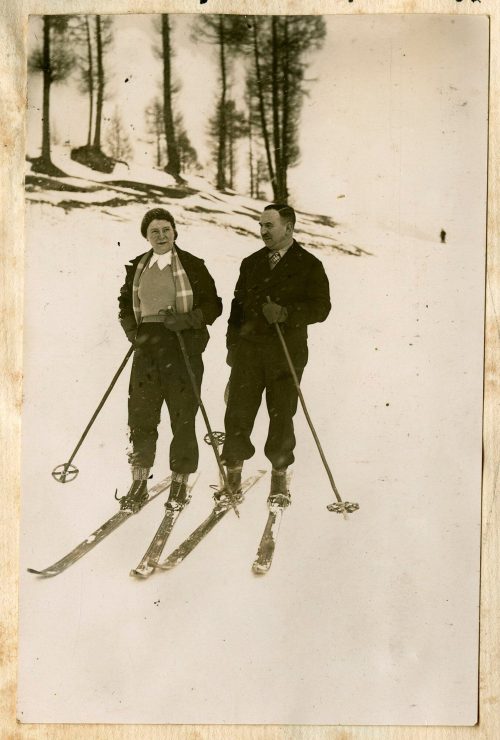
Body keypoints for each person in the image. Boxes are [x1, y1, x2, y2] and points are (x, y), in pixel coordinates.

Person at [222, 203, 331, 507]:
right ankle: (232, 474)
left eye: (270, 225)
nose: (263, 231)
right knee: (238, 413)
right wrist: (232, 347)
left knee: (281, 414)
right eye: (261, 225)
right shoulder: (251, 263)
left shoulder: (309, 264)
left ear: (289, 227)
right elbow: (237, 308)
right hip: (248, 351)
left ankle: (279, 478)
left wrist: (286, 313)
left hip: (286, 352)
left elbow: (322, 308)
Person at [117, 208, 222, 513]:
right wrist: (131, 331)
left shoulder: (192, 265)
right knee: (141, 416)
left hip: (182, 347)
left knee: (183, 416)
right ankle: (138, 482)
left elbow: (213, 305)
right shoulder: (138, 266)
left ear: (175, 232)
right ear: (146, 236)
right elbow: (125, 304)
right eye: (154, 232)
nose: (161, 236)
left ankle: (179, 482)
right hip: (146, 348)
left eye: (166, 230)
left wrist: (188, 320)